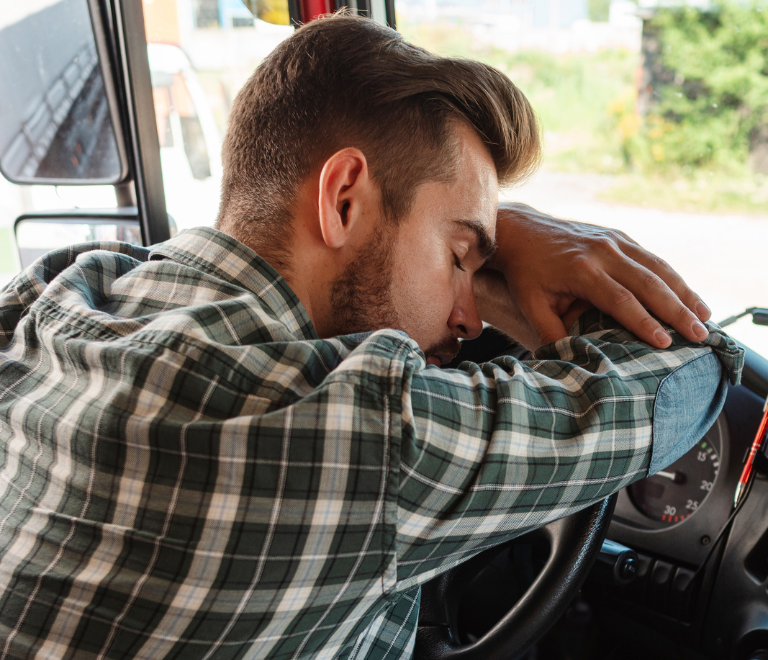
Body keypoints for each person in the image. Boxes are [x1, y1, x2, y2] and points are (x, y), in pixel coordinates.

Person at [0, 13, 742, 660]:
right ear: (344, 198)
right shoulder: (359, 428)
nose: (471, 317)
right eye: (458, 258)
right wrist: (516, 237)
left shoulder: (54, 297)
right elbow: (681, 369)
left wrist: (474, 239)